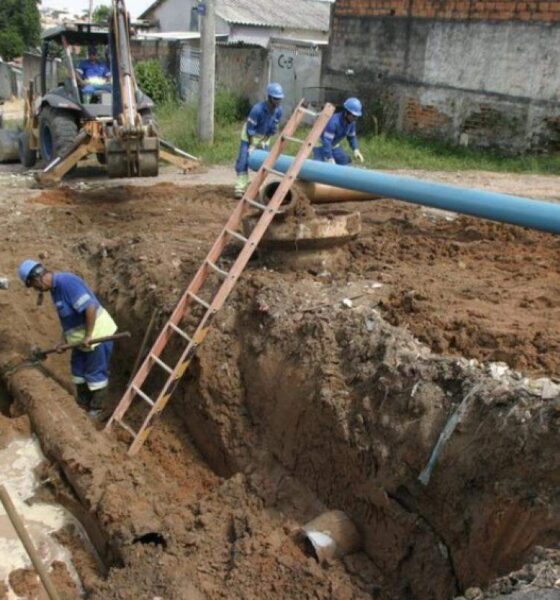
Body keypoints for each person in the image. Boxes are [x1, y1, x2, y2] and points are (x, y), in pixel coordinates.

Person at [18, 259, 118, 418]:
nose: (36, 289)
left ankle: (97, 409)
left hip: (98, 335)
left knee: (95, 374)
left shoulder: (67, 283)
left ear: (37, 278)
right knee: (78, 373)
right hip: (79, 340)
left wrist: (88, 335)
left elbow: (90, 308)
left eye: (34, 285)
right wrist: (62, 342)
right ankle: (82, 404)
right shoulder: (54, 290)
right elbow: (69, 322)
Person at [234, 82, 284, 198]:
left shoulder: (278, 111)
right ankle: (240, 187)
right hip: (249, 137)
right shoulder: (257, 110)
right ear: (269, 97)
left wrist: (266, 140)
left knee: (264, 164)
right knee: (243, 161)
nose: (277, 101)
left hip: (264, 138)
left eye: (279, 99)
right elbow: (250, 129)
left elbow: (274, 127)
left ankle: (257, 188)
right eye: (275, 99)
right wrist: (252, 145)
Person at [313, 97, 364, 165]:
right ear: (346, 112)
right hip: (322, 146)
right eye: (353, 116)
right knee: (320, 168)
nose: (355, 118)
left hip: (334, 146)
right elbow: (326, 141)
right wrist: (329, 158)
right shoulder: (333, 122)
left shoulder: (351, 123)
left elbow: (352, 137)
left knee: (346, 162)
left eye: (356, 116)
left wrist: (356, 149)